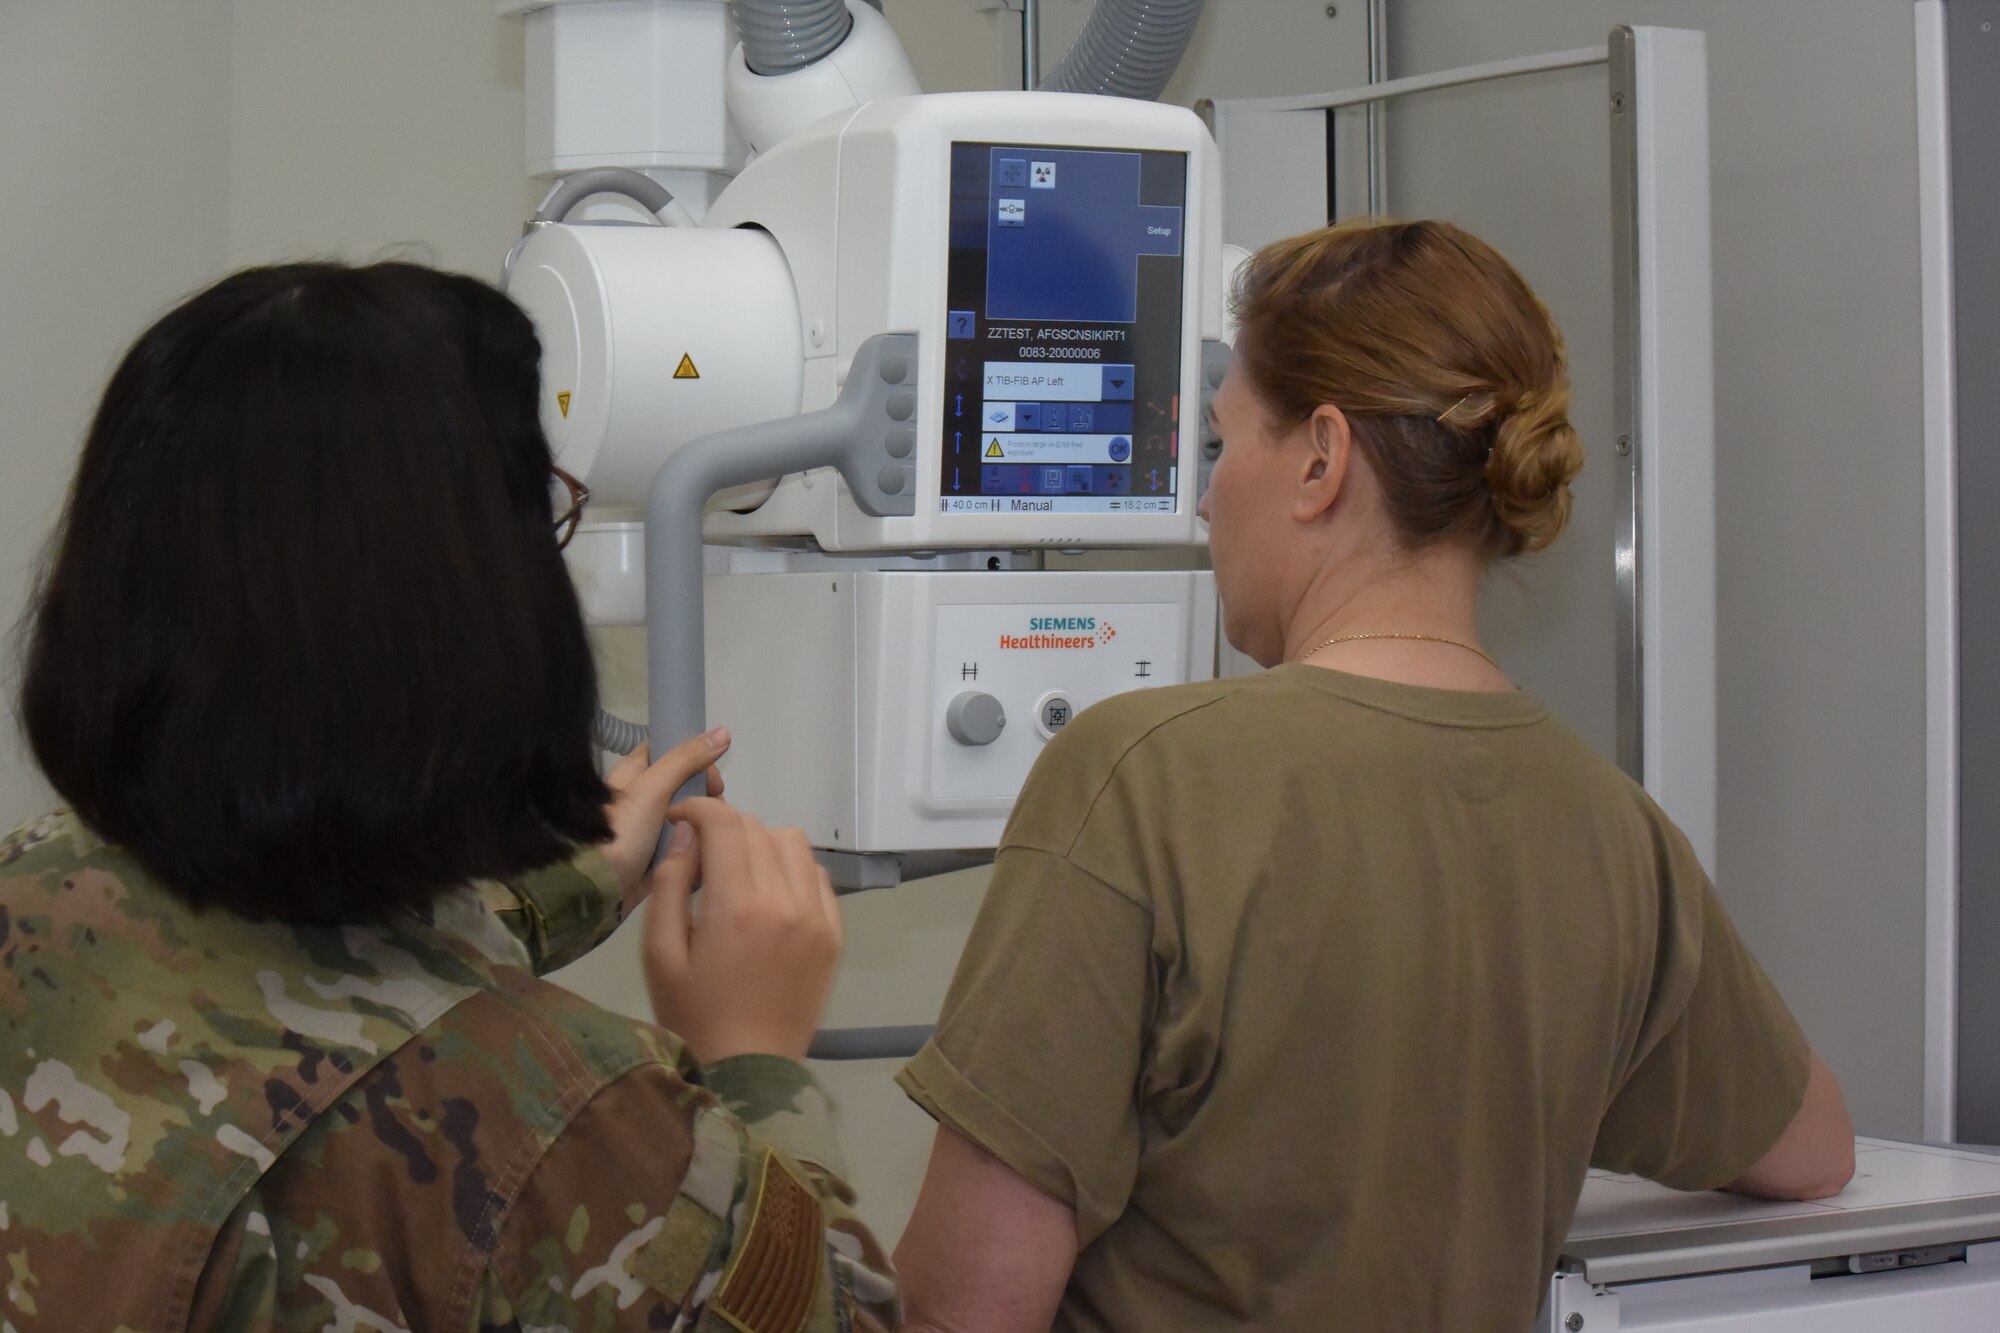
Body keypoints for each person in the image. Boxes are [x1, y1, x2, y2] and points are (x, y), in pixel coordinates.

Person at [891, 219, 1855, 1332]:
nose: (1205, 502)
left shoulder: (1140, 780)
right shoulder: (1612, 830)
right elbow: (1811, 1147)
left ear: (1319, 459)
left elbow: (963, 1305)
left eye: (1221, 446)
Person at [0, 262, 898, 1332]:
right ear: (465, 614)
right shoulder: (567, 1127)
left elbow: (288, 992)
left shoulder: (33, 891)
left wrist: (558, 886)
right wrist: (754, 1052)